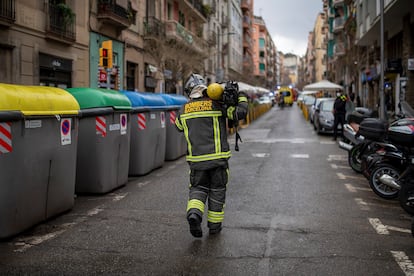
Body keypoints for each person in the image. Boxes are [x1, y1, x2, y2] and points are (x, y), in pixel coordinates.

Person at [175, 73, 248, 238]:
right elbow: (239, 113)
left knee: (197, 189)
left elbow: (178, 126)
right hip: (218, 160)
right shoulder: (216, 105)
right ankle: (214, 227)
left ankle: (194, 213)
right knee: (217, 190)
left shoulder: (183, 109)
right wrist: (242, 96)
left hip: (196, 162)